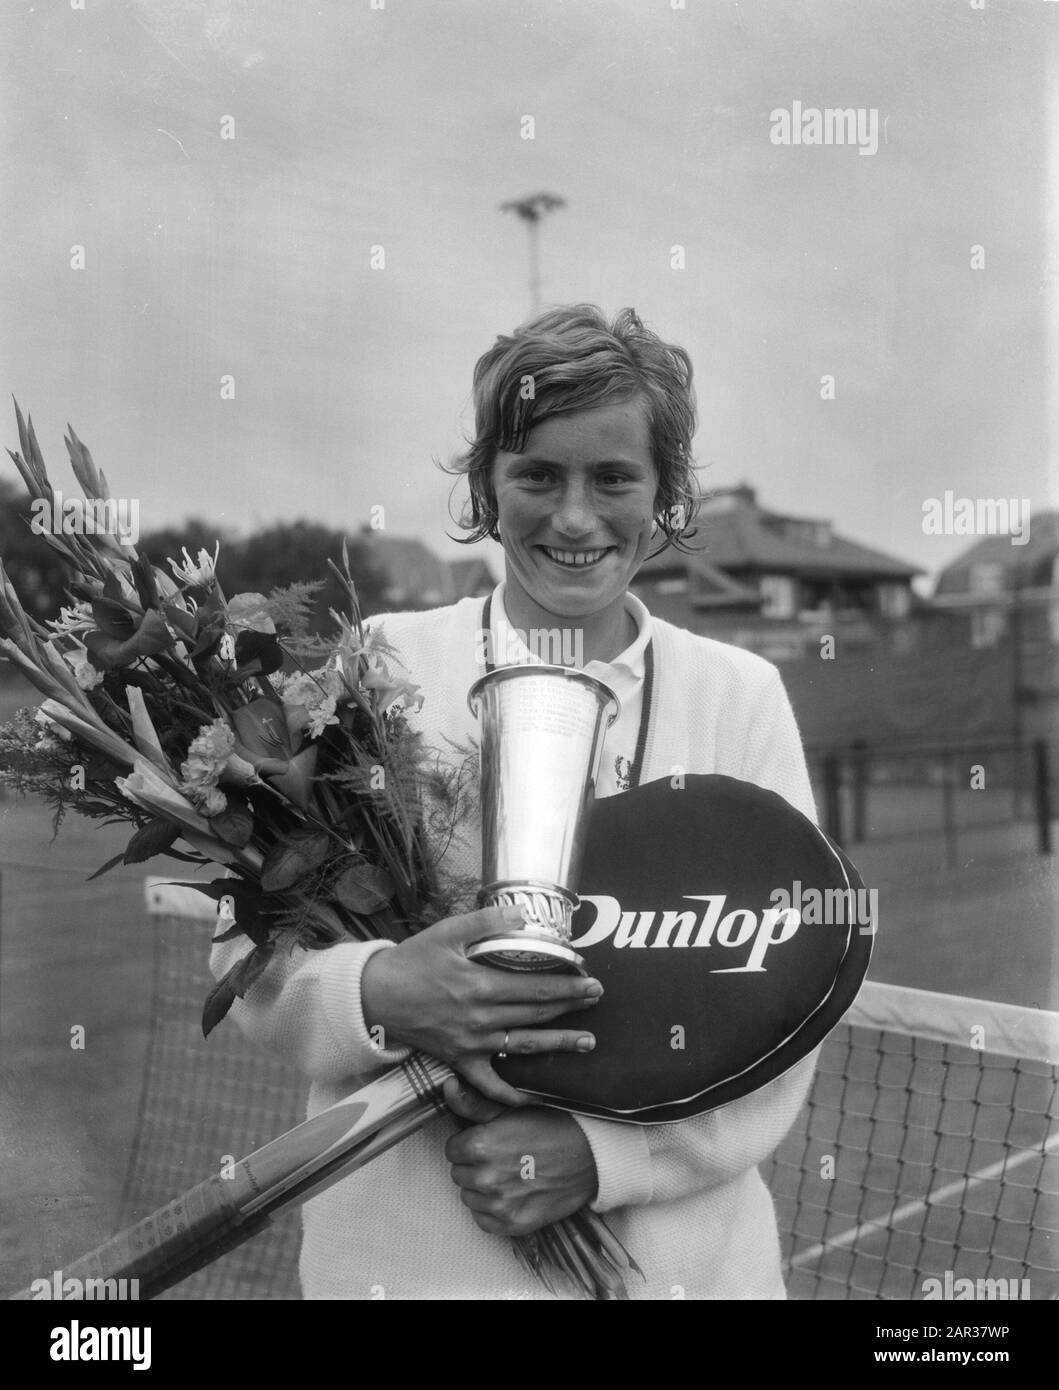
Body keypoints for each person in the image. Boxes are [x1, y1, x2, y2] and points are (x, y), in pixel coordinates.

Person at [211, 304, 818, 1299]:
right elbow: (245, 953)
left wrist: (603, 1158)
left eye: (614, 476)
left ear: (664, 491)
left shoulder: (738, 695)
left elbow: (793, 1000)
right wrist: (377, 990)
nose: (574, 518)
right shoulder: (375, 664)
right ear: (486, 487)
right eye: (537, 473)